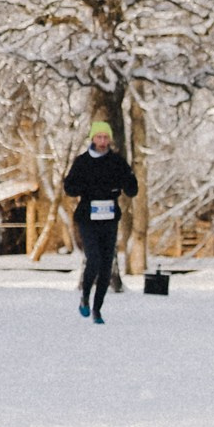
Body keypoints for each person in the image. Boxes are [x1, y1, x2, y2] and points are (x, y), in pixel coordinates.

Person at [62, 118, 138, 325]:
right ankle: (85, 296)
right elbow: (69, 187)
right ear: (92, 138)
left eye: (106, 137)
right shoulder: (82, 162)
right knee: (93, 259)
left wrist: (128, 181)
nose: (102, 141)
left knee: (106, 265)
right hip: (88, 216)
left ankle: (97, 309)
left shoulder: (117, 162)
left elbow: (132, 188)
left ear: (110, 139)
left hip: (109, 217)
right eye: (99, 137)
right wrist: (86, 188)